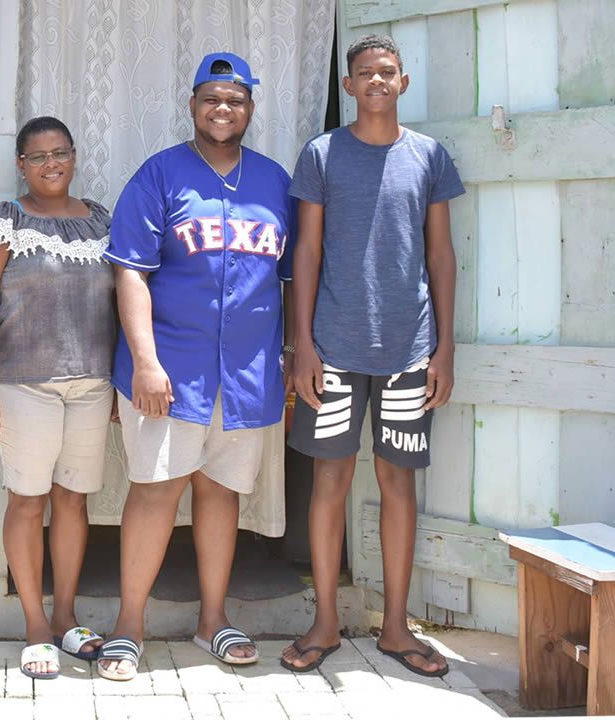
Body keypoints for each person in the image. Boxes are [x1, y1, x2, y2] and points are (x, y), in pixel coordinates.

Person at [96, 53, 296, 681]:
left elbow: (290, 279)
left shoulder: (272, 181)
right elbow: (129, 269)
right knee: (155, 490)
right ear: (192, 105)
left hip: (246, 375)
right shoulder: (161, 174)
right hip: (170, 371)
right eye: (212, 98)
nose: (223, 110)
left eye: (235, 101)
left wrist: (290, 356)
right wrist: (146, 362)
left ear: (250, 110)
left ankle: (213, 618)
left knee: (221, 493)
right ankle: (130, 626)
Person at [281, 33, 462, 678]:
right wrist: (301, 343)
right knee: (330, 481)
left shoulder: (430, 157)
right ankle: (325, 621)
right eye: (365, 74)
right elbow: (304, 252)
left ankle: (395, 628)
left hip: (410, 348)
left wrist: (444, 345)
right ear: (350, 86)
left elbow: (440, 255)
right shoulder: (323, 153)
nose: (377, 82)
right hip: (331, 347)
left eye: (388, 72)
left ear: (402, 82)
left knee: (397, 484)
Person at [0, 116, 116, 679]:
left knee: (74, 500)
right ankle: (34, 625)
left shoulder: (100, 219)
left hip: (93, 382)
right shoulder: (4, 221)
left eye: (61, 153)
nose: (52, 163)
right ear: (21, 165)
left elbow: (124, 301)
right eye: (38, 156)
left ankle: (66, 618)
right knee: (28, 500)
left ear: (74, 156)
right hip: (24, 381)